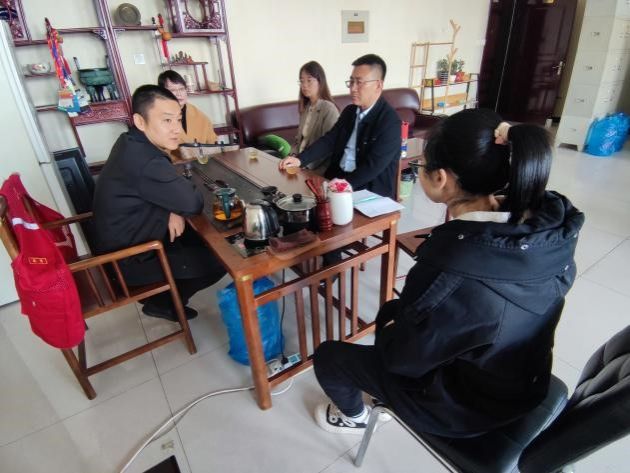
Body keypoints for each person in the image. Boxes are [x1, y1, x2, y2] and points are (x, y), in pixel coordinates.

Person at [311, 108, 585, 437]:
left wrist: (391, 328)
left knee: (329, 355)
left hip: (465, 409)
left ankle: (353, 418)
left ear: (441, 178)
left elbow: (402, 360)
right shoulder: (549, 230)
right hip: (522, 382)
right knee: (394, 313)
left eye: (421, 167)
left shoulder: (450, 270)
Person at [92, 85, 226, 321]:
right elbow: (192, 203)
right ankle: (164, 303)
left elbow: (168, 193)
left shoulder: (130, 142)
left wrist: (173, 209)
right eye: (166, 121)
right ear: (140, 121)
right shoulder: (146, 161)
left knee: (198, 235)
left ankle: (166, 296)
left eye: (178, 120)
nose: (176, 129)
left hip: (124, 242)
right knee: (220, 257)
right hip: (131, 259)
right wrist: (177, 205)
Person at [280, 54, 401, 199]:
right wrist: (300, 159)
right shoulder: (350, 112)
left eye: (359, 82)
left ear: (378, 85)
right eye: (351, 81)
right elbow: (330, 140)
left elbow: (373, 166)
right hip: (337, 180)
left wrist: (344, 185)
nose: (353, 88)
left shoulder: (390, 122)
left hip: (368, 191)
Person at [291, 61, 339, 174]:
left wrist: (304, 165)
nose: (304, 85)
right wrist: (292, 156)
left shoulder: (329, 108)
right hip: (300, 163)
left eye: (309, 80)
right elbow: (298, 140)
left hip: (318, 168)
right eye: (302, 81)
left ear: (320, 81)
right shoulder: (306, 107)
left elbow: (328, 147)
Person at [157, 70, 217, 152]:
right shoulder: (158, 117)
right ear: (162, 93)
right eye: (173, 90)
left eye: (181, 89)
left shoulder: (198, 114)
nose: (179, 94)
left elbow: (213, 143)